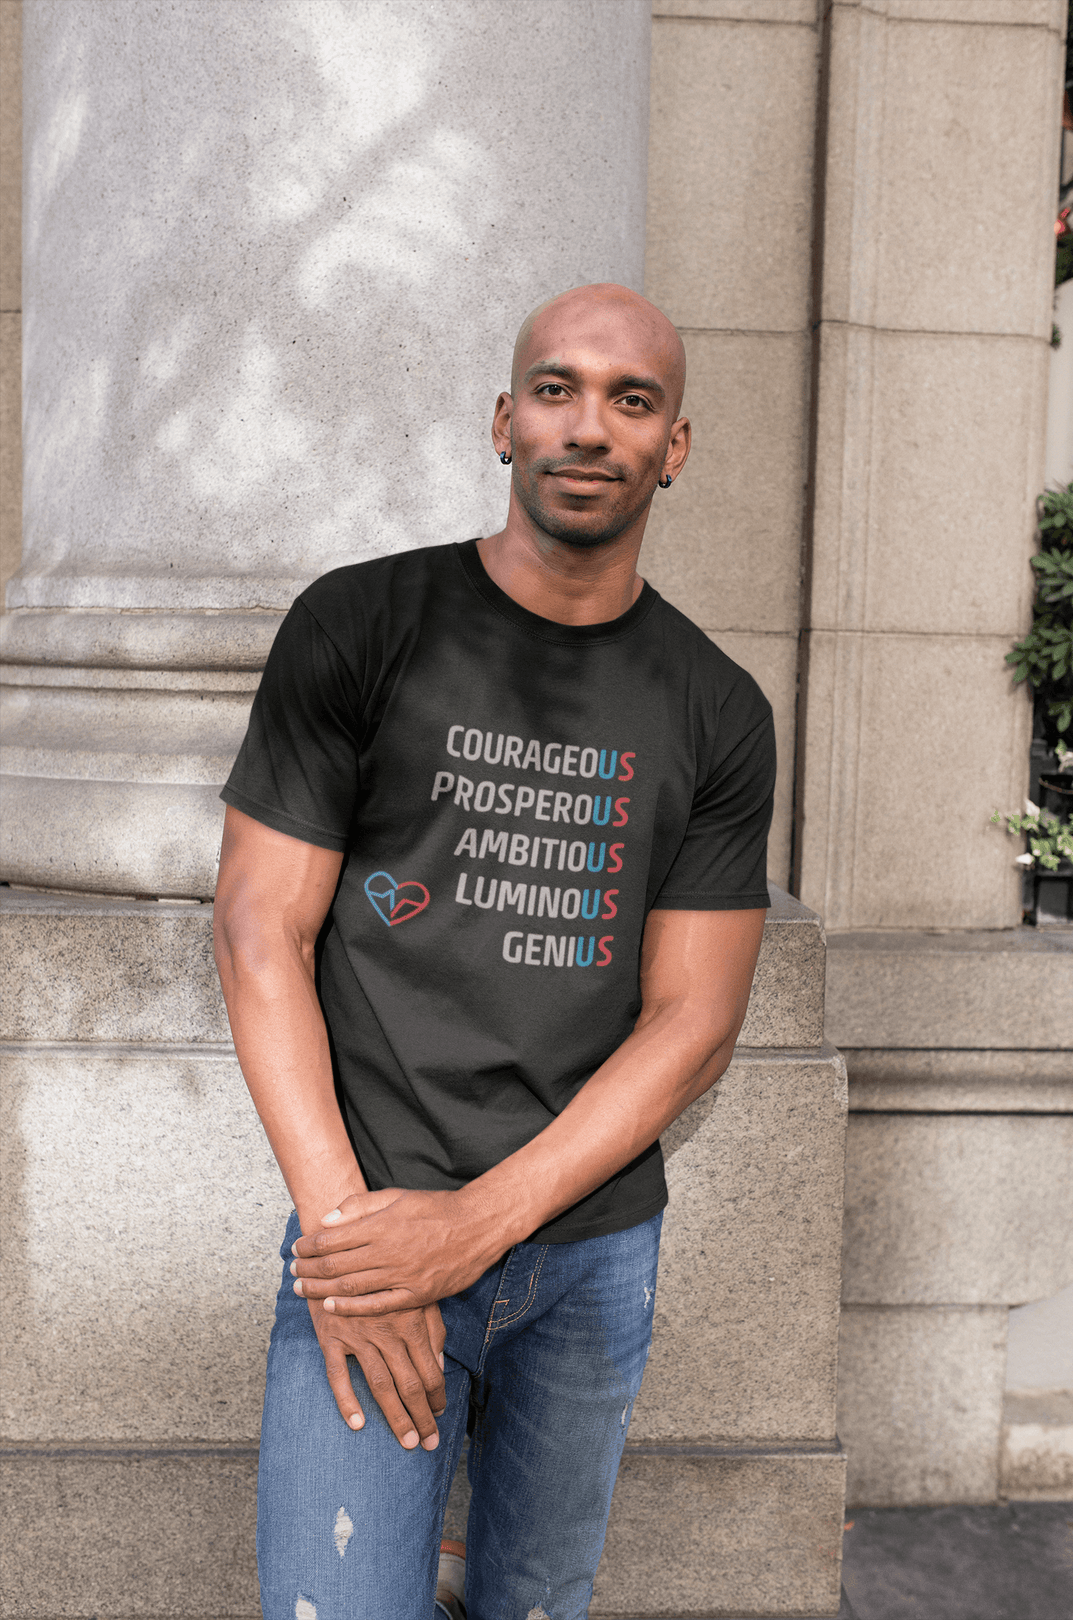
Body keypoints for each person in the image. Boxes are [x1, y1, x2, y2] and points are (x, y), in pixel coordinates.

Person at [214, 282, 775, 1620]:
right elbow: (257, 929)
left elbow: (693, 1021)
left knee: (534, 1601)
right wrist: (359, 1242)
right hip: (366, 1216)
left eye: (631, 401)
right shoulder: (359, 625)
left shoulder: (717, 708)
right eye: (557, 389)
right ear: (502, 420)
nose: (590, 426)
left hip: (586, 1254)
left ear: (675, 447)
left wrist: (475, 1227)